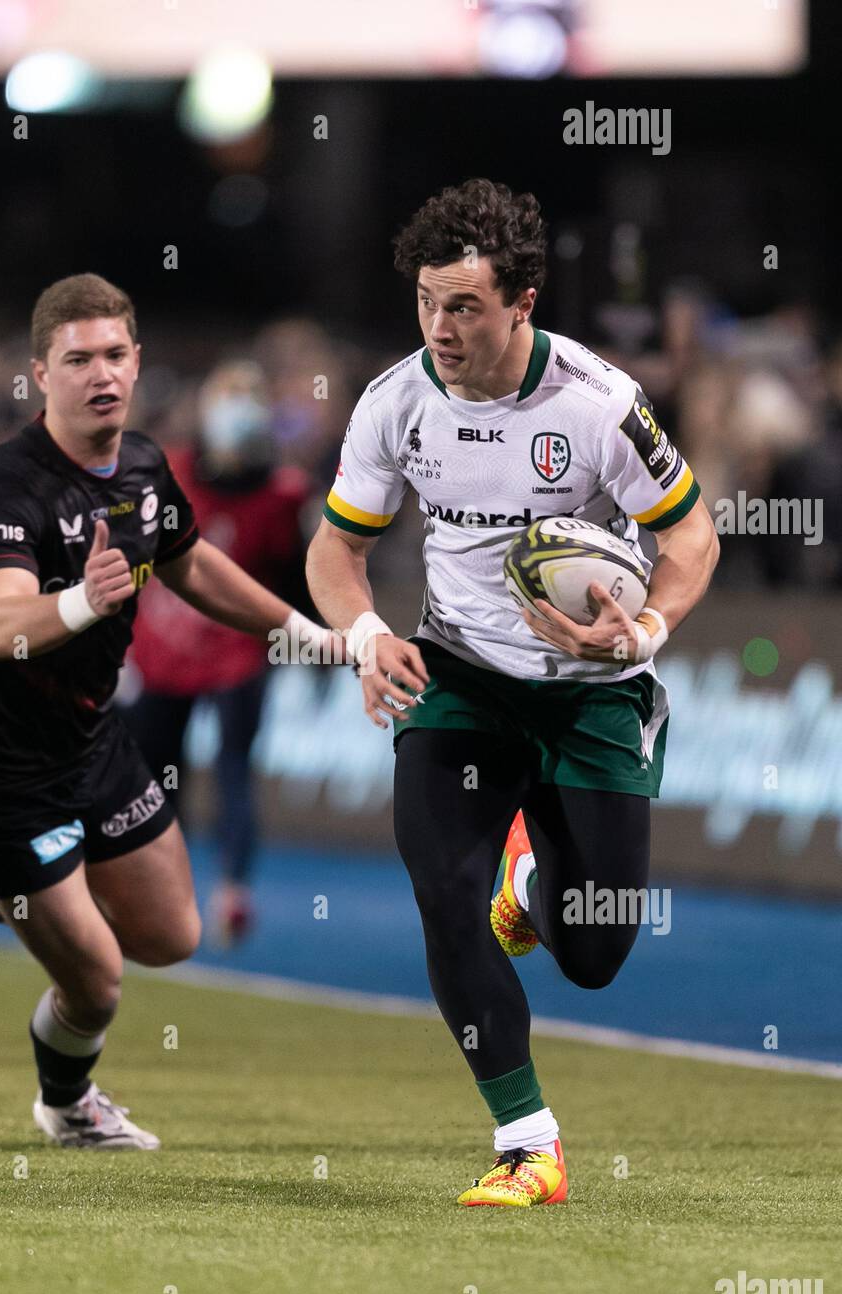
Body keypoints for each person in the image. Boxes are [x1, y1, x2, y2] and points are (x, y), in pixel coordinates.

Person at [305, 179, 719, 1207]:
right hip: (459, 679)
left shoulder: (594, 404)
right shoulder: (393, 402)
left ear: (522, 300)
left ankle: (528, 883)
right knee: (440, 896)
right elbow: (335, 549)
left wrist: (647, 625)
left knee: (592, 954)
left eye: (463, 307)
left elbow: (690, 535)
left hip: (591, 692)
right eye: (425, 303)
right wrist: (361, 632)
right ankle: (527, 1143)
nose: (438, 328)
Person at [0, 272, 336, 1150]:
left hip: (93, 745)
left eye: (116, 355)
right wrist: (85, 604)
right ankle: (68, 1107)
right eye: (78, 358)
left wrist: (309, 636)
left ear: (138, 363)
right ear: (39, 375)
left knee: (171, 934)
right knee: (96, 980)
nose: (101, 374)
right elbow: (2, 623)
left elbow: (191, 564)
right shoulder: (6, 482)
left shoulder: (141, 463)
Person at [117, 359, 315, 945]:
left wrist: (309, 636)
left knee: (233, 769)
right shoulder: (169, 471)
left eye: (250, 395)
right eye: (230, 394)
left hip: (238, 648)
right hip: (164, 644)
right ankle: (164, 886)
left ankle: (232, 887)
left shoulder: (284, 494)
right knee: (157, 774)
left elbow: (296, 576)